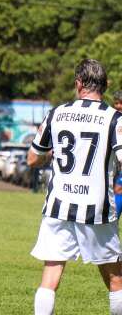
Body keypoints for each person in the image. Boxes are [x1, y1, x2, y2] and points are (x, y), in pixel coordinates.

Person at [28, 59, 122, 314]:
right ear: (105, 85)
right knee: (115, 280)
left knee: (51, 276)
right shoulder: (114, 118)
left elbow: (33, 158)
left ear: (79, 83)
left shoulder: (56, 113)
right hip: (96, 209)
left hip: (59, 206)